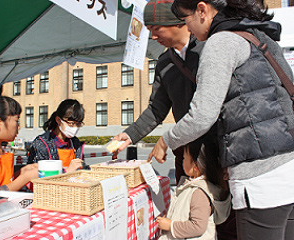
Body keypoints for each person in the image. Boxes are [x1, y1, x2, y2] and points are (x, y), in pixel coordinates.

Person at [150, 0, 294, 238]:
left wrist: (166, 140)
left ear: (202, 10)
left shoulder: (220, 42)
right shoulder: (259, 35)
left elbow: (202, 115)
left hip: (259, 176)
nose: (190, 29)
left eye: (187, 20)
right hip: (288, 165)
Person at [114, 0, 203, 184]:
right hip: (185, 149)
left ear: (177, 22)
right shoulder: (164, 63)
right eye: (149, 30)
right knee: (186, 202)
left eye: (156, 29)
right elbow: (157, 108)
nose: (153, 37)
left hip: (216, 148)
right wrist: (130, 134)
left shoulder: (208, 48)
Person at [157, 137, 231, 239]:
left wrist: (171, 225)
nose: (182, 161)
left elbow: (198, 227)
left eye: (184, 158)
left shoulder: (199, 192)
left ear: (195, 166)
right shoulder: (192, 185)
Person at [27, 99, 87, 172]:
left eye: (78, 124)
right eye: (71, 123)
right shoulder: (42, 144)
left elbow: (82, 169)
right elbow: (38, 175)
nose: (75, 127)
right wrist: (66, 171)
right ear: (58, 120)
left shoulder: (75, 143)